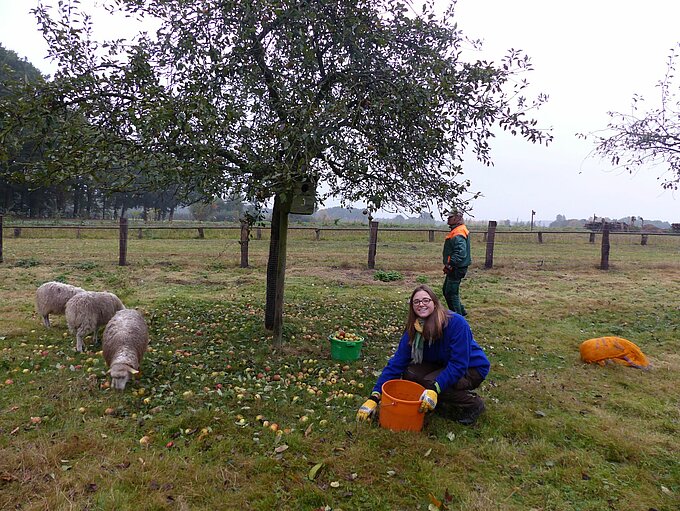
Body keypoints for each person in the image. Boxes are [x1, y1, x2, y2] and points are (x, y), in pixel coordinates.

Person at [356, 285, 490, 425]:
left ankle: (473, 404)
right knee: (410, 375)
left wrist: (434, 388)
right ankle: (438, 397)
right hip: (441, 362)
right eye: (416, 302)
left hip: (471, 367)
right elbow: (397, 363)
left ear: (435, 303)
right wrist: (374, 397)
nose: (421, 304)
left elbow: (458, 364)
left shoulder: (456, 324)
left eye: (426, 300)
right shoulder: (414, 329)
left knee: (432, 383)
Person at [442, 210, 471, 316]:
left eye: (450, 217)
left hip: (457, 267)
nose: (448, 219)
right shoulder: (457, 230)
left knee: (451, 293)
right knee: (446, 290)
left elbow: (460, 253)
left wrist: (450, 264)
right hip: (456, 266)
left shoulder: (458, 232)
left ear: (457, 219)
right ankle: (461, 312)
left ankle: (457, 317)